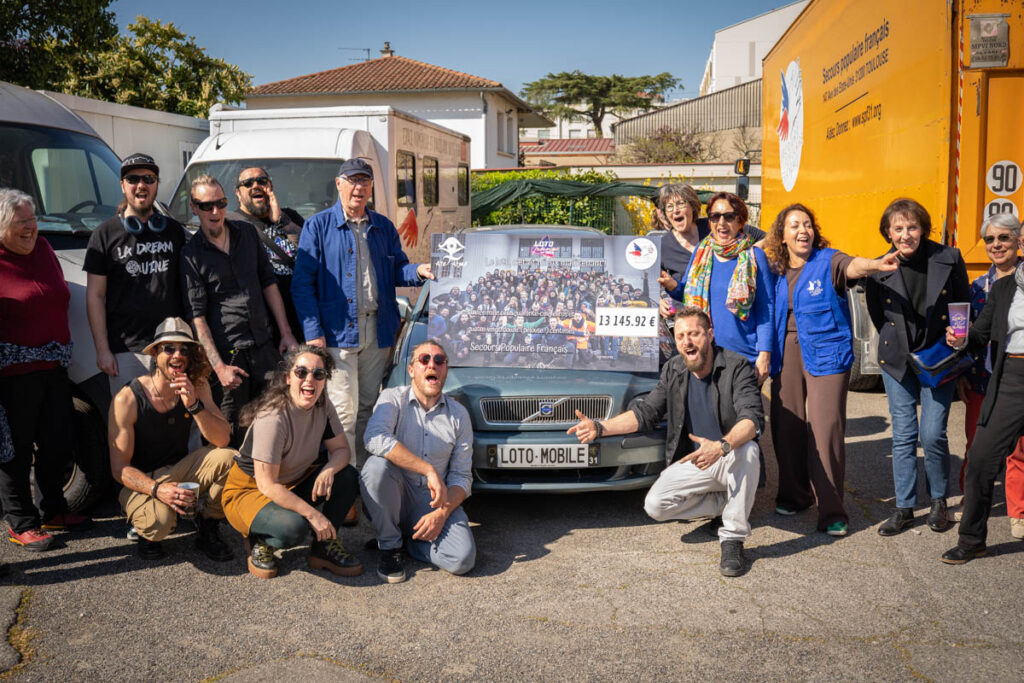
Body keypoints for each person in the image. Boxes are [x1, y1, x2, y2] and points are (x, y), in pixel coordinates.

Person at [568, 306, 764, 577]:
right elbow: (645, 413)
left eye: (694, 334)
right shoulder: (674, 368)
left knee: (750, 449)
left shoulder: (736, 366)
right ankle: (728, 502)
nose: (686, 341)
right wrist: (600, 427)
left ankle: (732, 538)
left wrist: (721, 446)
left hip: (727, 455)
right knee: (655, 505)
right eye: (681, 335)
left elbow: (752, 420)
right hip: (694, 461)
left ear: (709, 335)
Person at [763, 204, 898, 535]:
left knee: (825, 430)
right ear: (782, 234)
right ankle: (795, 496)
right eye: (794, 226)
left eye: (807, 224)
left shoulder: (828, 260)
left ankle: (832, 509)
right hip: (786, 351)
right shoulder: (775, 269)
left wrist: (876, 264)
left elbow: (852, 265)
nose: (803, 231)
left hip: (826, 351)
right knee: (787, 425)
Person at [292, 158, 432, 466]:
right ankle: (347, 480)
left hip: (378, 330)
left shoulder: (382, 226)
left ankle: (369, 478)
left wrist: (418, 270)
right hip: (337, 334)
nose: (359, 187)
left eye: (365, 181)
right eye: (353, 181)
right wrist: (313, 333)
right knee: (344, 410)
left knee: (371, 407)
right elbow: (302, 285)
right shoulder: (318, 226)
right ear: (339, 184)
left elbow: (398, 270)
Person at [865, 198, 969, 536]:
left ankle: (939, 500)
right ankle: (905, 507)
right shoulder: (881, 265)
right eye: (898, 228)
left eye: (912, 227)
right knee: (904, 434)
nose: (905, 234)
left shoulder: (948, 257)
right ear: (888, 233)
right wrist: (898, 341)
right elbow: (877, 314)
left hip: (939, 356)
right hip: (898, 360)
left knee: (932, 432)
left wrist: (959, 333)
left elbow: (961, 302)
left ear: (922, 228)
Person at [0, 189, 92, 552]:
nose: (31, 229)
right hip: (12, 374)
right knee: (15, 451)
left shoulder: (44, 251)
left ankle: (53, 509)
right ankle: (20, 523)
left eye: (33, 221)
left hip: (54, 365)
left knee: (57, 440)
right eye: (21, 222)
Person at [222, 345, 362, 579]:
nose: (310, 380)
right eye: (302, 372)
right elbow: (267, 485)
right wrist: (313, 515)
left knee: (346, 476)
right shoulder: (273, 416)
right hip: (250, 491)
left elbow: (341, 451)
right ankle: (262, 539)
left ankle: (324, 546)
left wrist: (329, 469)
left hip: (292, 483)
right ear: (288, 377)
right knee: (294, 528)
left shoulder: (323, 404)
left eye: (319, 374)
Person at [179, 175, 298, 446]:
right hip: (229, 357)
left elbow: (269, 284)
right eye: (206, 205)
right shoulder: (190, 255)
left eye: (220, 203)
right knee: (231, 437)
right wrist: (218, 367)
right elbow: (197, 317)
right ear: (194, 208)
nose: (215, 211)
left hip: (264, 347)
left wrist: (286, 333)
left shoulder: (247, 235)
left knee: (275, 425)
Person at [108, 317, 235, 560]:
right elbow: (119, 469)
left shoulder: (196, 385)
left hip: (177, 470)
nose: (177, 355)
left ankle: (208, 526)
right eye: (169, 348)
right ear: (155, 353)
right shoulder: (128, 398)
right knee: (159, 523)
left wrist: (194, 406)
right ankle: (146, 529)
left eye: (184, 349)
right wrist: (157, 490)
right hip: (141, 480)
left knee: (231, 459)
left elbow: (222, 440)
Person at [361, 340, 475, 583]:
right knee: (375, 467)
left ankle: (407, 543)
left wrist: (442, 513)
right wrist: (427, 469)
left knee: (462, 559)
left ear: (445, 370)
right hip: (395, 494)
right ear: (411, 370)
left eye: (439, 361)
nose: (431, 364)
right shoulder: (392, 398)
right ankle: (390, 547)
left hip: (433, 503)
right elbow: (373, 437)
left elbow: (462, 477)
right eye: (424, 359)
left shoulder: (459, 415)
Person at [942, 246, 1024, 563]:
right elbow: (979, 334)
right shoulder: (1004, 288)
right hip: (1011, 379)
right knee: (980, 459)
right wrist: (960, 339)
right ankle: (972, 540)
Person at [84, 153, 188, 398]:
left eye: (148, 179)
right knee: (127, 424)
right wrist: (103, 350)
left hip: (171, 348)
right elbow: (95, 296)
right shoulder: (104, 235)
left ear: (156, 184)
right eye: (133, 179)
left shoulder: (174, 232)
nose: (141, 185)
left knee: (172, 424)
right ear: (122, 185)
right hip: (126, 352)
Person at [659, 192, 775, 386]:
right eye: (715, 216)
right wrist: (672, 286)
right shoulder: (702, 251)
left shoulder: (754, 256)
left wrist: (765, 355)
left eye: (729, 216)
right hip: (706, 354)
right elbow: (687, 293)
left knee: (742, 415)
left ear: (741, 221)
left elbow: (766, 310)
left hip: (744, 357)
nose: (721, 223)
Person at [226, 167, 304, 342]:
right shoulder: (232, 224)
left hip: (301, 319)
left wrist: (282, 220)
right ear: (238, 194)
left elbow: (314, 248)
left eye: (262, 181)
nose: (256, 185)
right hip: (263, 328)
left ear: (270, 186)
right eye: (248, 183)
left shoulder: (290, 217)